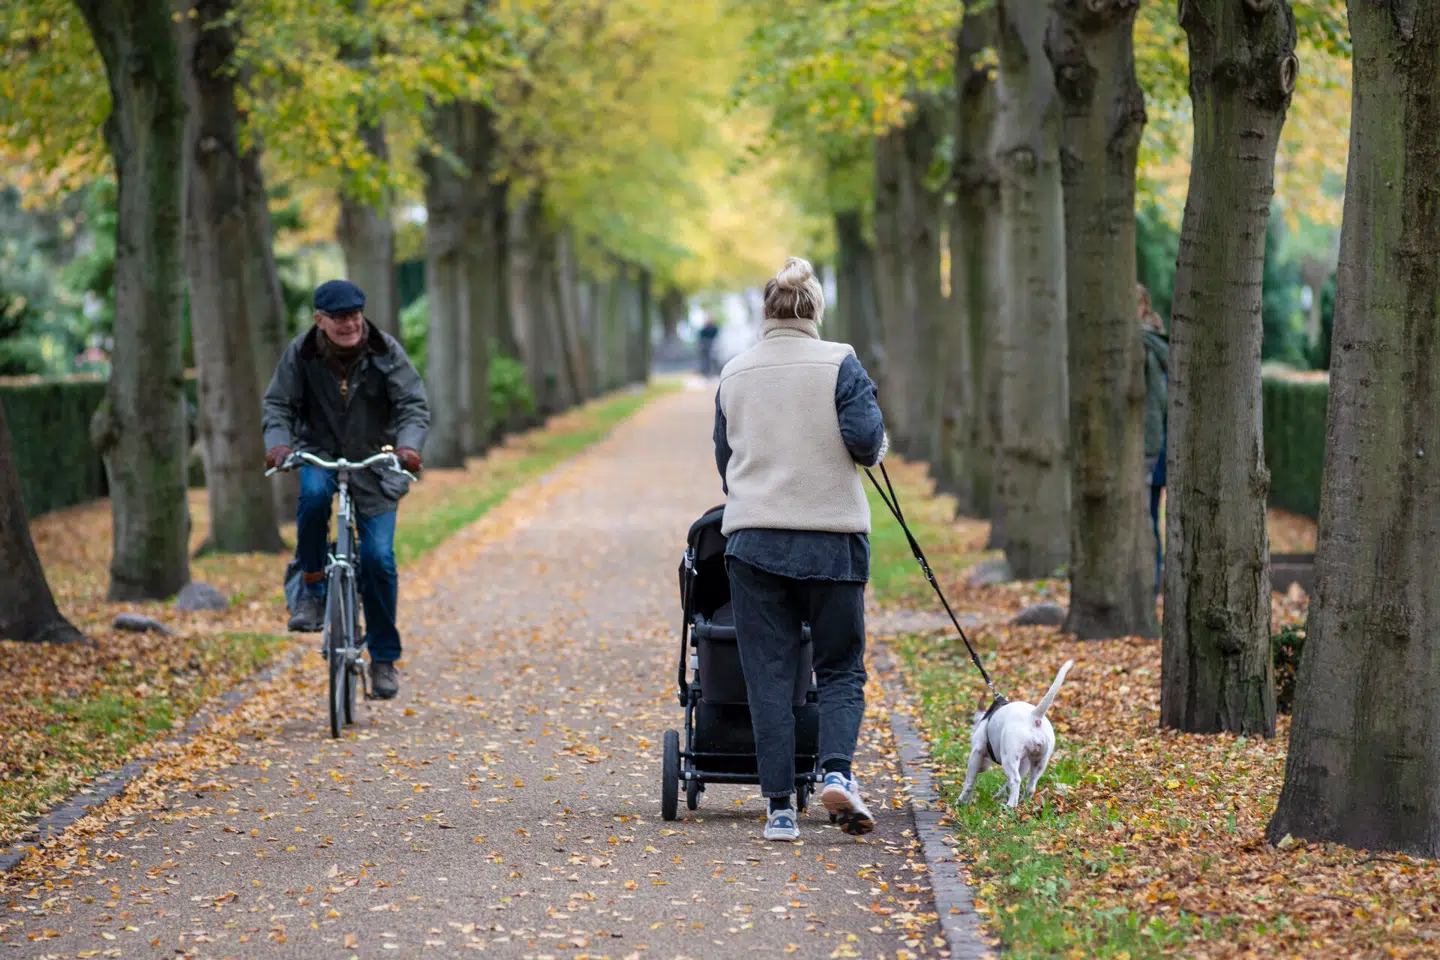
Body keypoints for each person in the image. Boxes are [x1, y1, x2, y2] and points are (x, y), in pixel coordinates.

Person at [713, 257, 888, 842]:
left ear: (767, 310)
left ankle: (780, 808)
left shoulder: (734, 372)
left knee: (768, 673)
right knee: (839, 667)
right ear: (814, 309)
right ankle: (837, 771)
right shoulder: (840, 362)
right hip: (832, 539)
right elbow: (865, 444)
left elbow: (725, 463)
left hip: (754, 541)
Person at [261, 279, 430, 700]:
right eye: (339, 318)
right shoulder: (301, 354)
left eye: (355, 315)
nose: (350, 324)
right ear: (319, 320)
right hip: (318, 452)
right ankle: (313, 590)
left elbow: (413, 404)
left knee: (378, 559)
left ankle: (385, 659)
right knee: (315, 497)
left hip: (374, 460)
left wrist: (407, 448)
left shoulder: (384, 350)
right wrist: (278, 444)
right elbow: (277, 404)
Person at [1139, 283, 1168, 595]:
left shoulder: (1149, 344)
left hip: (1150, 445)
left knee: (1147, 514)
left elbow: (1157, 401)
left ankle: (1152, 580)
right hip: (1151, 443)